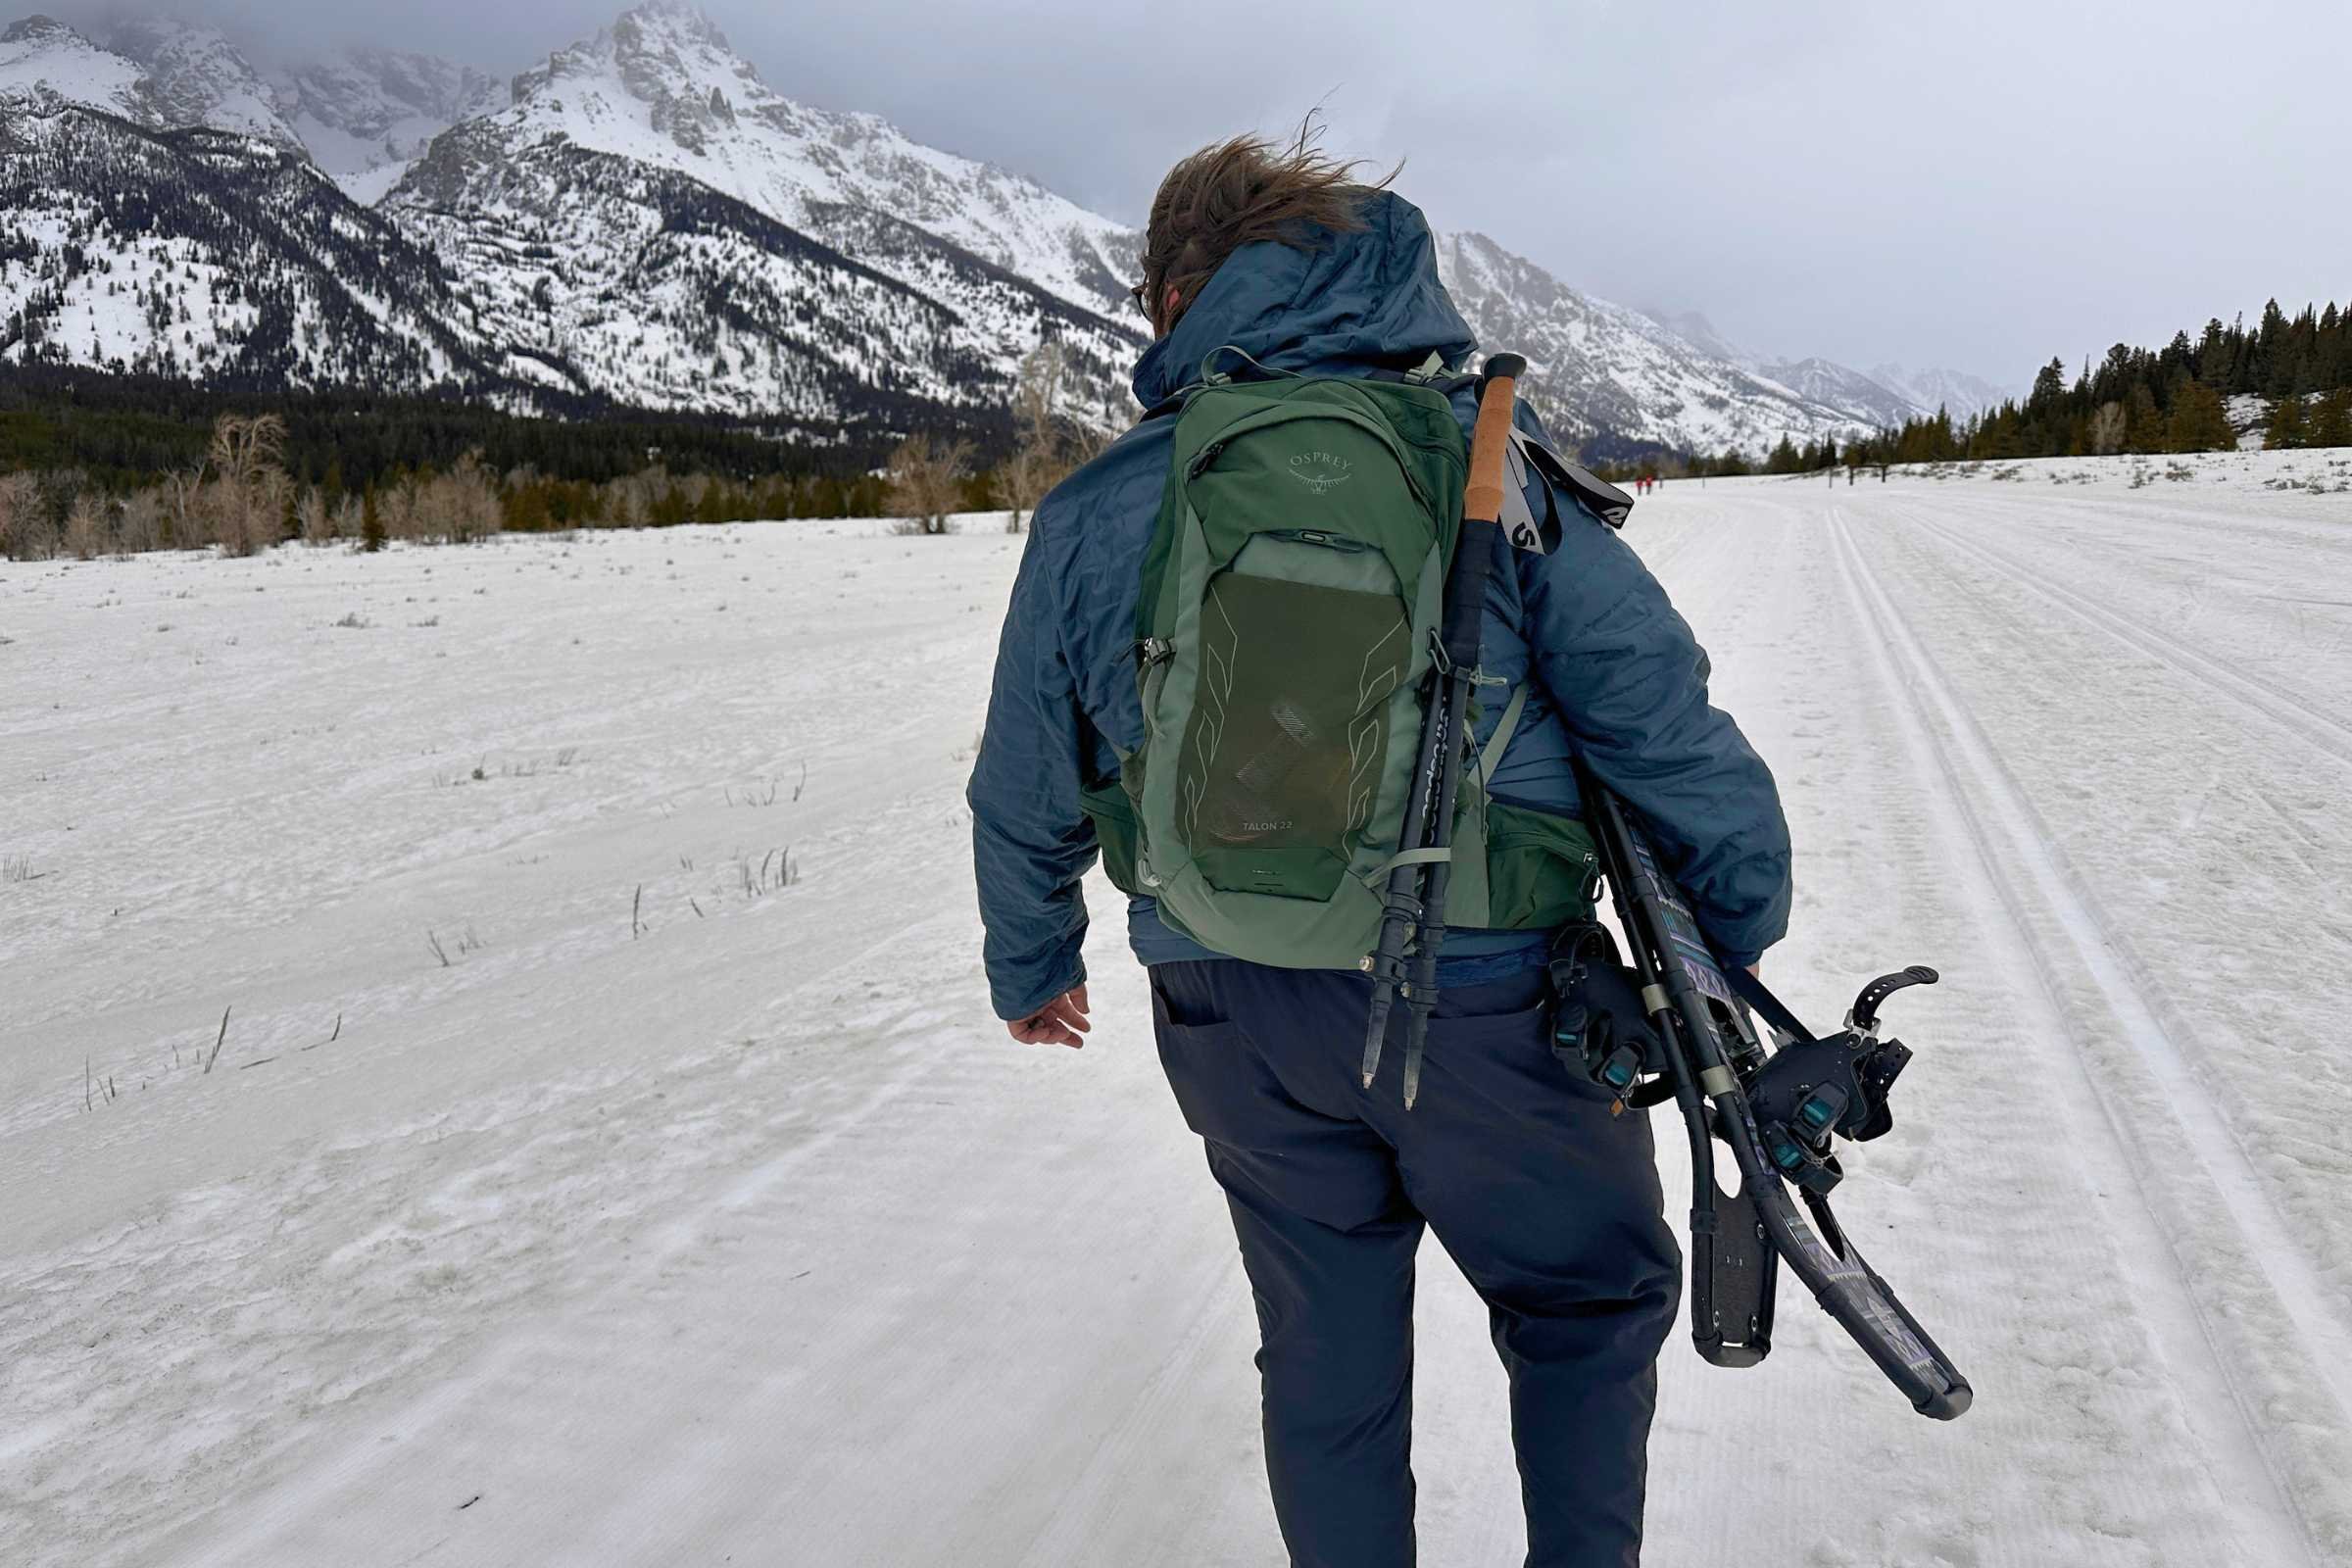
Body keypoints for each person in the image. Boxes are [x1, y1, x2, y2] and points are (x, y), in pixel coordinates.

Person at [967, 129, 1791, 1568]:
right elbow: (1667, 732)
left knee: (1326, 1351)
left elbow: (1025, 775)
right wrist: (1729, 934)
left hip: (1234, 1006)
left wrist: (1032, 958)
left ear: (1182, 299)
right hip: (1499, 1011)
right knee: (1586, 1308)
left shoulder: (1102, 507)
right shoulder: (1491, 469)